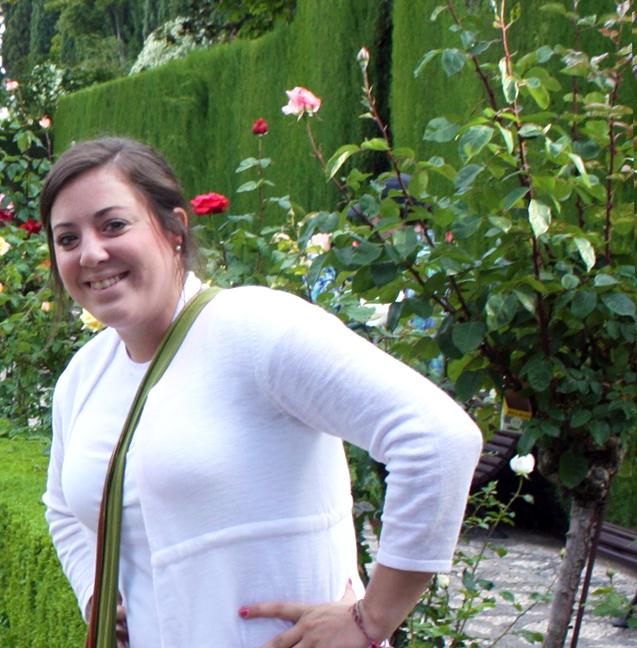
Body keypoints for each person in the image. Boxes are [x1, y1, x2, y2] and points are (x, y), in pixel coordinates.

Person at [38, 138, 481, 647]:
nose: (91, 253)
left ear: (174, 227)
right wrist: (95, 593)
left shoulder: (254, 330)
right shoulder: (84, 376)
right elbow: (62, 506)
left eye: (114, 224)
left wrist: (373, 618)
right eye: (67, 239)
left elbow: (439, 439)